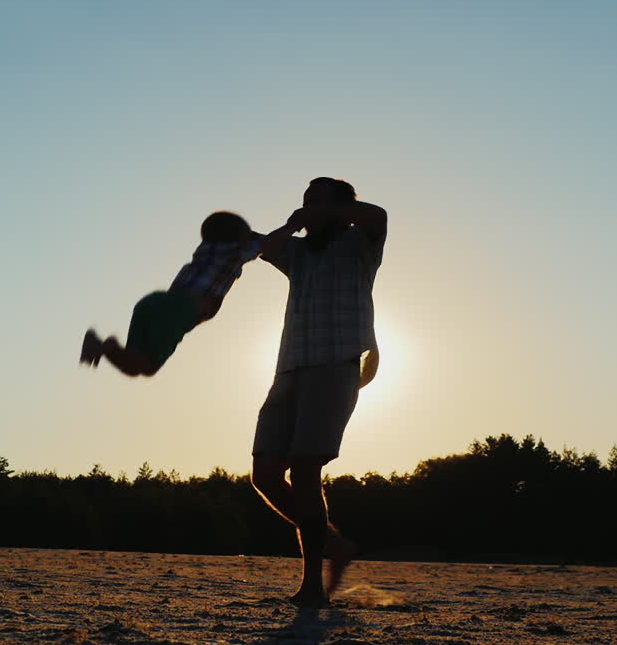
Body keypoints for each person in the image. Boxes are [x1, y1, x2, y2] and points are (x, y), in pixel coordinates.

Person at [250, 177, 387, 607]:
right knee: (265, 475)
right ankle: (334, 545)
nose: (308, 207)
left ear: (341, 206)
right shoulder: (298, 252)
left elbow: (377, 216)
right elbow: (261, 247)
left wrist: (328, 212)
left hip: (335, 368)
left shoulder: (360, 243)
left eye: (317, 200)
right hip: (288, 370)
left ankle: (311, 587)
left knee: (306, 472)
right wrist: (292, 225)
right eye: (305, 200)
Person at [79, 211, 267, 376]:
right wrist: (292, 225)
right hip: (179, 310)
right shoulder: (235, 252)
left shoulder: (204, 251)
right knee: (148, 366)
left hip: (153, 302)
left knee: (135, 365)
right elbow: (268, 244)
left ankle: (103, 345)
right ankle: (105, 346)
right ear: (240, 238)